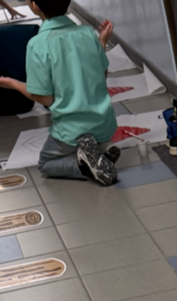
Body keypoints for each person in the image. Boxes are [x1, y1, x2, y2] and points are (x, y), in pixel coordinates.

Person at [0, 0, 119, 184]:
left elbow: (45, 98)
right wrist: (101, 42)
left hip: (72, 131)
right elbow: (101, 75)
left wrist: (13, 84)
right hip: (104, 124)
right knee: (92, 139)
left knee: (45, 163)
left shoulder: (37, 44)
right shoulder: (88, 33)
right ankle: (101, 149)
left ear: (35, 6)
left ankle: (83, 162)